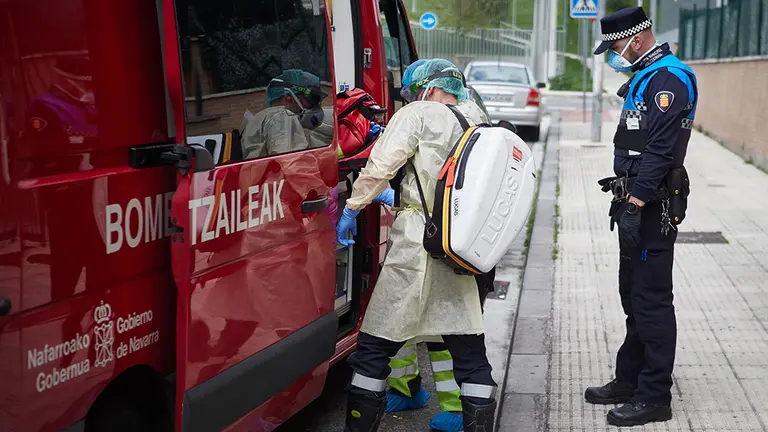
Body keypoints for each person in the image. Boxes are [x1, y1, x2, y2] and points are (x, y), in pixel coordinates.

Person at [336, 59, 497, 432]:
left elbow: (380, 166)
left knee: (375, 344)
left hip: (418, 241)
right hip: (464, 242)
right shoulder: (476, 116)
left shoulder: (418, 113)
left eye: (411, 90)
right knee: (468, 346)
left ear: (426, 87)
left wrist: (353, 206)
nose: (409, 97)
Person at [587, 7, 698, 427]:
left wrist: (634, 203)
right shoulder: (647, 77)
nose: (612, 55)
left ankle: (654, 397)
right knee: (632, 295)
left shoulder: (669, 79)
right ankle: (629, 378)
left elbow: (660, 151)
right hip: (635, 202)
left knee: (651, 301)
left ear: (636, 40)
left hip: (651, 208)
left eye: (615, 46)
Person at [240, 69, 332, 159]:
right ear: (289, 97)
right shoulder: (281, 116)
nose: (314, 106)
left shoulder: (262, 119)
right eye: (312, 99)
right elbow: (292, 164)